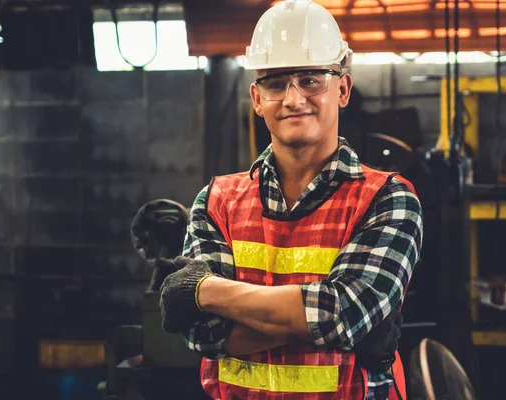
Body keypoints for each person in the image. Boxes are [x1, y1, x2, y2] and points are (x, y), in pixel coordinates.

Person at [158, 0, 423, 399]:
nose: (294, 99)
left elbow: (342, 316)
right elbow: (203, 333)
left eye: (312, 79)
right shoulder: (217, 201)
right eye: (277, 82)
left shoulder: (386, 198)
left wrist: (207, 292)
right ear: (257, 97)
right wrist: (322, 324)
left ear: (343, 88)